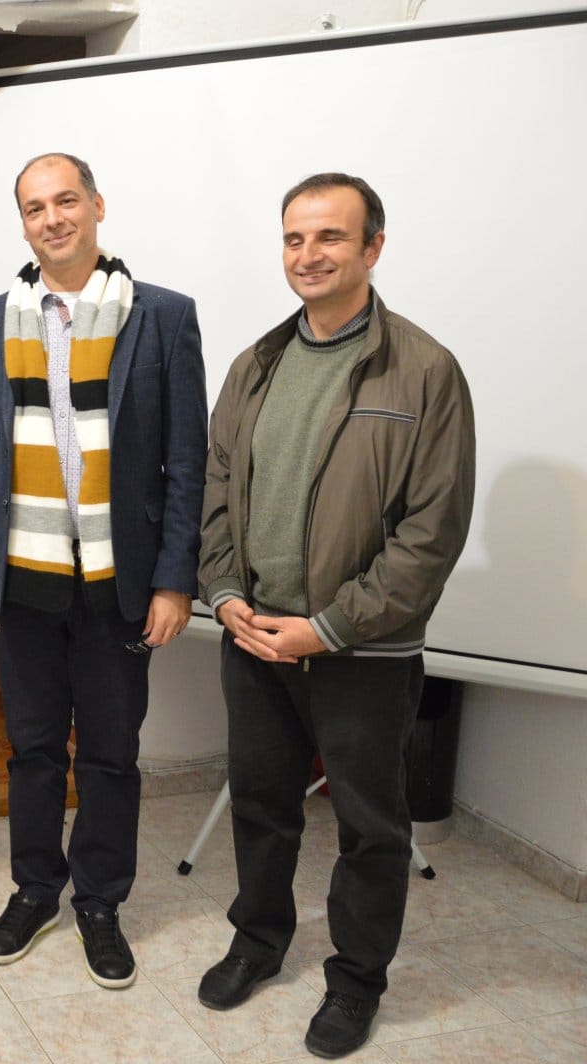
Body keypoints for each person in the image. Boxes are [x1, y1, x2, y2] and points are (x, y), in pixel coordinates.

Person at [196, 173, 475, 1058]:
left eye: (330, 237)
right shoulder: (256, 364)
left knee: (370, 828)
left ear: (373, 247)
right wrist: (225, 595)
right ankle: (258, 941)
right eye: (294, 238)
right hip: (255, 637)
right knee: (262, 806)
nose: (308, 255)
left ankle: (356, 983)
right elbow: (215, 492)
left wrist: (328, 628)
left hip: (362, 651)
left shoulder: (425, 371)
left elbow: (431, 534)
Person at [0, 152, 207, 986]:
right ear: (22, 223)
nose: (52, 218)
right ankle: (35, 890)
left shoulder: (163, 318)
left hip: (116, 583)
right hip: (22, 578)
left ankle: (100, 902)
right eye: (35, 207)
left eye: (66, 200)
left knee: (109, 755)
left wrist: (174, 580)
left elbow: (186, 463)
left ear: (97, 205)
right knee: (31, 752)